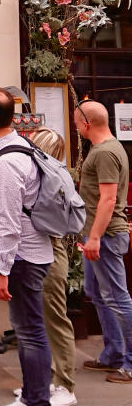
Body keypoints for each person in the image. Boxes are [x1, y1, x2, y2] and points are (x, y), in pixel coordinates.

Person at [0, 86, 56, 406]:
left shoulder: (8, 161)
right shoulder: (19, 148)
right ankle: (29, 399)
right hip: (27, 255)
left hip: (22, 257)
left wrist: (0, 271)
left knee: (32, 333)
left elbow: (9, 223)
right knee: (27, 332)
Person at [11, 128, 76, 406]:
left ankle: (65, 384)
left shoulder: (52, 181)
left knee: (54, 320)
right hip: (42, 254)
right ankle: (44, 382)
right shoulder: (47, 178)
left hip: (50, 254)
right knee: (39, 322)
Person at [74, 100, 132, 384]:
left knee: (117, 299)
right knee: (96, 293)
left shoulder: (106, 152)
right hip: (96, 236)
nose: (75, 126)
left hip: (106, 236)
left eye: (76, 121)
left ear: (86, 123)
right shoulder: (104, 149)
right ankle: (113, 354)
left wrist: (94, 237)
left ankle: (129, 363)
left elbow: (108, 200)